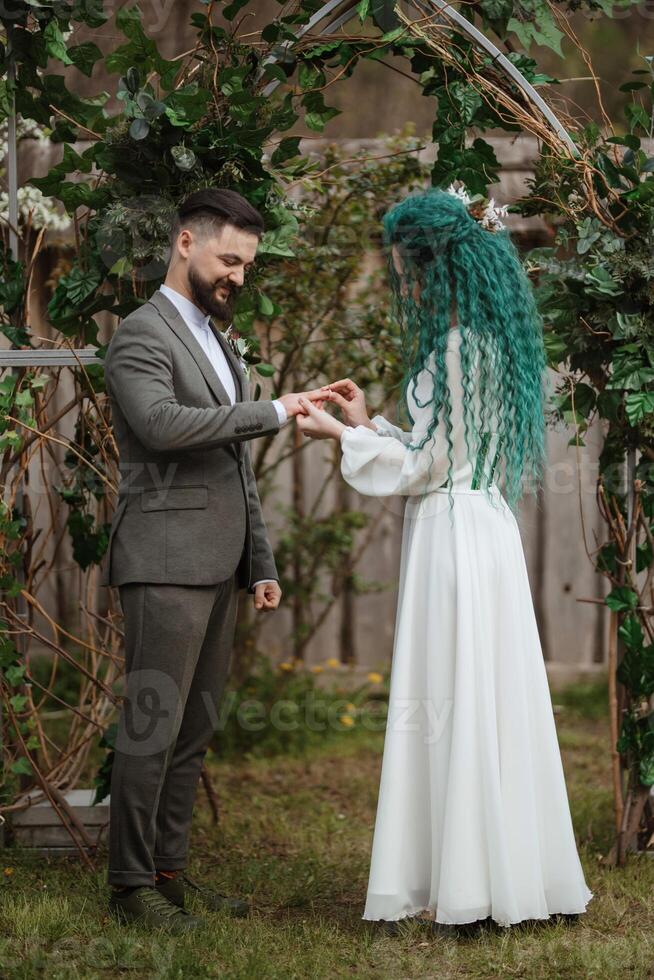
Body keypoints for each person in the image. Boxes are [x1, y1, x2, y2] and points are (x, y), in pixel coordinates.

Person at [297, 186, 593, 932]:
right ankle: (502, 874)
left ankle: (468, 883)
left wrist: (338, 438)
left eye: (411, 270)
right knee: (487, 701)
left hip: (453, 536)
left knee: (455, 700)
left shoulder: (460, 346)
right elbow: (443, 449)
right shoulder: (487, 343)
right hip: (478, 527)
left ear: (436, 267)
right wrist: (370, 423)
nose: (410, 285)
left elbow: (428, 469)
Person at [101, 187, 324, 932]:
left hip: (218, 563)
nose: (238, 275)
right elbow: (163, 427)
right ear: (186, 243)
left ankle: (168, 874)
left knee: (193, 730)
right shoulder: (141, 333)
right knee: (152, 725)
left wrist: (258, 560)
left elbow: (232, 465)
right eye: (229, 258)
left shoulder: (217, 340)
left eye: (247, 265)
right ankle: (130, 886)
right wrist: (274, 409)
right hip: (162, 559)